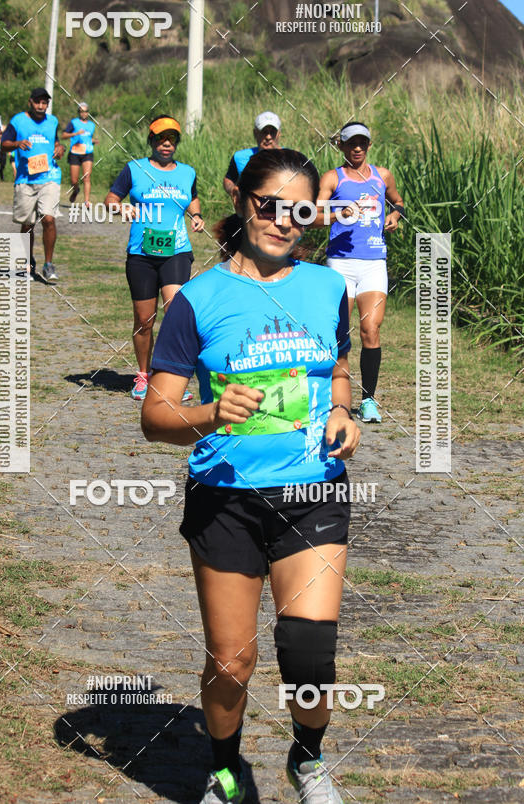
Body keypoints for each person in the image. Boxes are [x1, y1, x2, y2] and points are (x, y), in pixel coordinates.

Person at [142, 148, 361, 804]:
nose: (284, 221)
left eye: (301, 211)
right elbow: (156, 416)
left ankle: (308, 760)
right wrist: (211, 413)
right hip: (225, 501)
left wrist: (343, 411)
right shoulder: (197, 300)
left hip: (312, 490)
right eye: (270, 206)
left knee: (310, 653)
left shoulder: (327, 288)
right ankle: (226, 769)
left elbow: (338, 368)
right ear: (242, 202)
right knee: (231, 661)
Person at [105, 114, 204, 401]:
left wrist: (196, 215)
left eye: (172, 138)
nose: (166, 143)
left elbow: (192, 197)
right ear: (151, 141)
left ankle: (169, 378)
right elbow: (111, 199)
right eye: (161, 138)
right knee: (144, 319)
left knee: (174, 312)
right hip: (142, 254)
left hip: (177, 251)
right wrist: (121, 208)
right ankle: (143, 375)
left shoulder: (187, 172)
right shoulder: (134, 169)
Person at [319, 121, 404, 423]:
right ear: (340, 145)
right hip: (341, 263)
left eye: (362, 143)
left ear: (369, 144)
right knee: (339, 332)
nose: (357, 148)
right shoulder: (333, 178)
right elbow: (311, 214)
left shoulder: (383, 176)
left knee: (371, 330)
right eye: (351, 143)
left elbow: (398, 202)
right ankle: (333, 398)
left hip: (373, 262)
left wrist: (395, 215)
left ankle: (368, 401)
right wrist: (337, 214)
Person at [1, 87, 64, 282]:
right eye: (37, 102)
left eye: (44, 103)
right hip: (25, 179)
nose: (41, 106)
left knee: (48, 219)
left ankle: (48, 264)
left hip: (50, 177)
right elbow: (3, 144)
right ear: (30, 102)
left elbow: (56, 142)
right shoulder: (18, 121)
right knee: (27, 224)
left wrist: (60, 148)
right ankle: (28, 263)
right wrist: (16, 144)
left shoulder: (53, 121)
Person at [223, 111, 282, 198]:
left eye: (272, 132)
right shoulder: (240, 157)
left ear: (278, 134)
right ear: (255, 133)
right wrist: (234, 192)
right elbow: (229, 179)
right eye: (264, 132)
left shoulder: (291, 158)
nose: (268, 137)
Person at [62, 102, 99, 205]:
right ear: (78, 112)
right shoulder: (73, 123)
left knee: (87, 177)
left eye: (86, 111)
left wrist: (93, 141)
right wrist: (76, 133)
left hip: (87, 153)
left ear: (88, 113)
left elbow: (88, 138)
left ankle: (86, 201)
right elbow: (63, 135)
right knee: (74, 180)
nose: (84, 113)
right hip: (75, 153)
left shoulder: (92, 125)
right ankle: (76, 190)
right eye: (81, 111)